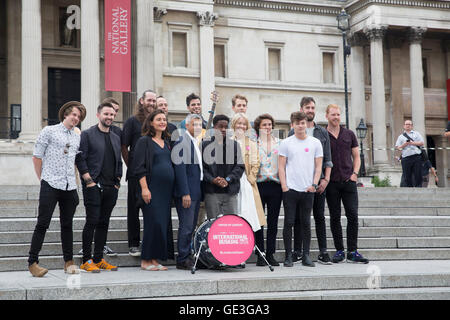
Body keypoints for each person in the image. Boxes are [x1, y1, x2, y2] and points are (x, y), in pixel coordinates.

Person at [28, 101, 86, 277]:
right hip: (50, 183)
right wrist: (43, 179)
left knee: (67, 225)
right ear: (66, 114)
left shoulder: (77, 136)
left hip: (69, 186)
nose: (76, 118)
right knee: (42, 223)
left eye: (79, 117)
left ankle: (68, 262)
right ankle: (32, 262)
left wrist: (76, 185)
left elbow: (75, 161)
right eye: (74, 115)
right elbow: (37, 157)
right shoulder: (49, 131)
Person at [76, 102, 122, 272]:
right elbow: (80, 158)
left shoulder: (116, 137)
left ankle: (98, 258)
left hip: (111, 187)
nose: (109, 117)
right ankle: (86, 260)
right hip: (93, 185)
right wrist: (88, 180)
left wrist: (118, 181)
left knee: (104, 223)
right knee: (92, 221)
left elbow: (119, 161)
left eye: (112, 115)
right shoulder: (87, 134)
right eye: (106, 114)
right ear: (98, 115)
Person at [288, 97, 333, 265]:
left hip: (319, 182)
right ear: (301, 109)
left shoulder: (322, 133)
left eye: (313, 107)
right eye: (307, 107)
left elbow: (328, 158)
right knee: (300, 218)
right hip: (299, 183)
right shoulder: (293, 132)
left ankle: (323, 252)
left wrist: (325, 179)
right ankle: (297, 251)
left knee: (319, 216)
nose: (311, 110)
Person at [279, 111, 323, 267]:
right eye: (297, 123)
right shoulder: (286, 143)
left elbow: (318, 167)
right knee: (289, 222)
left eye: (302, 122)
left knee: (306, 223)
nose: (300, 125)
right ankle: (288, 256)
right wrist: (284, 186)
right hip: (290, 189)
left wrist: (314, 184)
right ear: (292, 125)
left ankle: (306, 256)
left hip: (307, 189)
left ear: (307, 124)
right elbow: (281, 166)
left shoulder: (315, 143)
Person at [325, 104, 368, 264]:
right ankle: (339, 251)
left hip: (349, 181)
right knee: (335, 217)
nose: (336, 117)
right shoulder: (323, 134)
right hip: (332, 183)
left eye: (338, 114)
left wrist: (355, 174)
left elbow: (356, 156)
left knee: (353, 215)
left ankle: (352, 251)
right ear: (327, 116)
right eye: (333, 114)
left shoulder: (349, 134)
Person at [133, 109, 175, 271]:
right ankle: (145, 260)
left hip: (166, 191)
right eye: (159, 119)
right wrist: (145, 188)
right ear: (151, 123)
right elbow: (139, 167)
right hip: (151, 188)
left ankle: (155, 259)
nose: (162, 122)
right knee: (152, 223)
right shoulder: (144, 141)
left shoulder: (167, 142)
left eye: (164, 119)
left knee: (162, 224)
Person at [122, 90, 157, 257]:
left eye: (154, 100)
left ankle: (150, 243)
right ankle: (134, 244)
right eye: (149, 100)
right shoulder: (132, 121)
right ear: (142, 101)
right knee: (134, 209)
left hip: (154, 174)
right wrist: (132, 165)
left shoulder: (156, 122)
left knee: (151, 209)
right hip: (136, 175)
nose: (151, 103)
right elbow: (124, 146)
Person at [230, 113, 267, 265]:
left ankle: (260, 253)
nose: (241, 126)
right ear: (234, 125)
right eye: (238, 123)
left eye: (244, 124)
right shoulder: (228, 142)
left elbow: (256, 162)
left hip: (246, 184)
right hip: (231, 184)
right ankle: (237, 255)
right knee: (235, 218)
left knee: (252, 217)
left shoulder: (250, 143)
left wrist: (251, 178)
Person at [171, 114, 204, 270]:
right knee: (186, 226)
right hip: (187, 193)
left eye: (200, 125)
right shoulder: (182, 141)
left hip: (196, 191)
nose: (198, 127)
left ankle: (188, 255)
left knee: (191, 226)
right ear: (187, 125)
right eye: (195, 124)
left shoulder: (194, 142)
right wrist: (185, 193)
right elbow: (180, 169)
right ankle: (183, 258)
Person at [202, 115, 245, 219]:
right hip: (212, 192)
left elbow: (240, 167)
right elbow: (202, 168)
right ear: (214, 128)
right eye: (220, 126)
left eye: (226, 127)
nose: (223, 129)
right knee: (213, 224)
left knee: (231, 224)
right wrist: (213, 180)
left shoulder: (235, 145)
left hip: (230, 191)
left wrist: (228, 179)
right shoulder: (204, 145)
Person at [254, 114, 282, 267]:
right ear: (259, 126)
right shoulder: (253, 144)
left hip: (275, 185)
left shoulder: (279, 143)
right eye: (264, 125)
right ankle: (260, 254)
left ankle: (270, 254)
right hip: (259, 185)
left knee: (273, 221)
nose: (267, 127)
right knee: (259, 222)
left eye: (270, 124)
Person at [395, 120, 425, 188]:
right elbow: (398, 148)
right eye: (406, 124)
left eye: (409, 124)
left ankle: (418, 188)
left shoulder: (416, 134)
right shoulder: (401, 136)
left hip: (416, 156)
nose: (408, 125)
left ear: (412, 126)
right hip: (406, 158)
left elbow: (421, 143)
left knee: (418, 174)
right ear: (404, 126)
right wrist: (405, 144)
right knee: (407, 175)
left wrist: (411, 143)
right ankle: (409, 189)